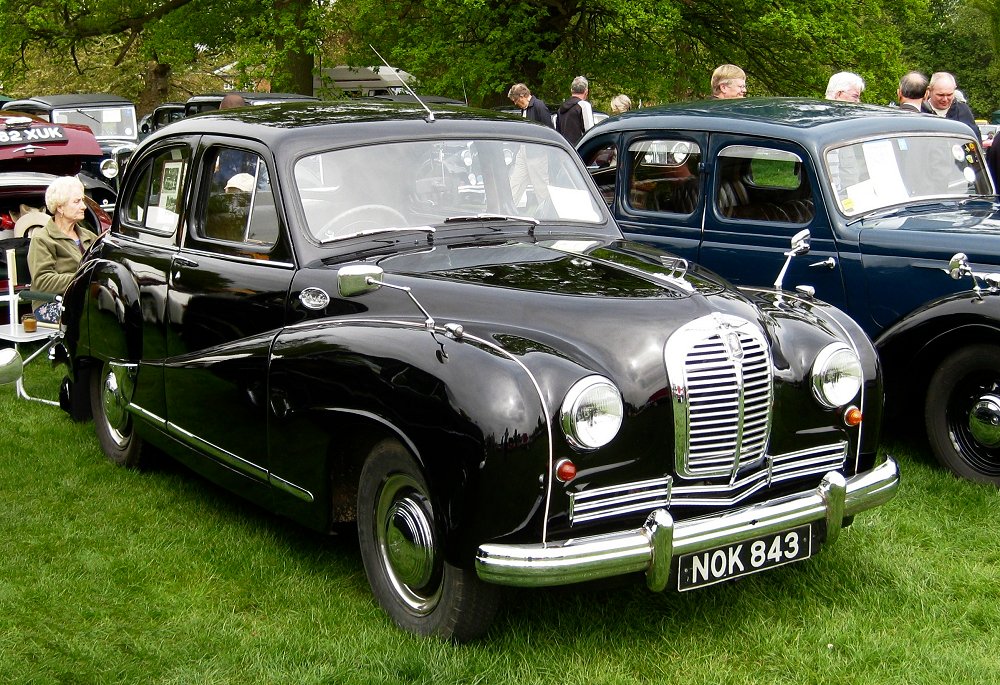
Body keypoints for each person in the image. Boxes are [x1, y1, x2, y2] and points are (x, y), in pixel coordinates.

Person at [27, 176, 98, 323]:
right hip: (50, 303)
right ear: (60, 207)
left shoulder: (90, 236)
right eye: (77, 202)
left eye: (82, 201)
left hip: (84, 299)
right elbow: (43, 281)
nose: (84, 206)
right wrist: (83, 279)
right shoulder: (42, 239)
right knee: (90, 317)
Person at [922, 72, 979, 138]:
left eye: (949, 95)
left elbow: (975, 138)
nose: (945, 99)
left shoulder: (963, 111)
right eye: (940, 95)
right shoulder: (920, 111)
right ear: (929, 90)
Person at [555, 76, 594, 145]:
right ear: (586, 91)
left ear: (571, 90)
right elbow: (590, 132)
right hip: (580, 150)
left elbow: (558, 133)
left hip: (565, 149)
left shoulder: (560, 109)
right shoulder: (584, 106)